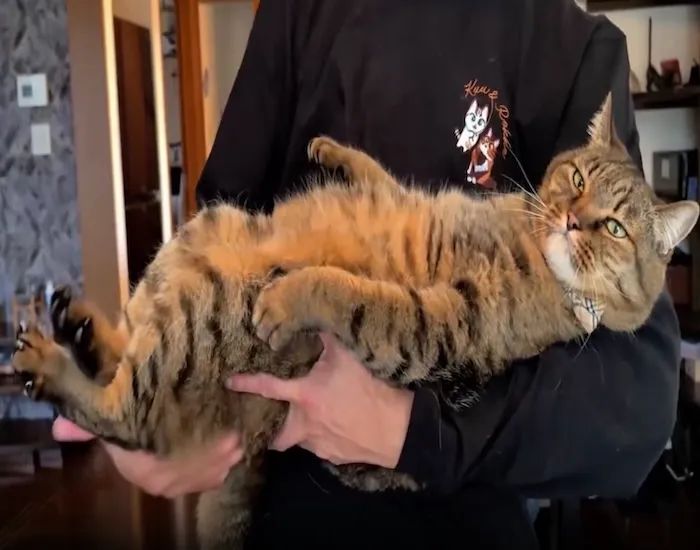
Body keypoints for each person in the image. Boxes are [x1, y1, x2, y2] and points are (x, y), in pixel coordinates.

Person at [55, 0, 681, 548]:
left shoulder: (575, 49)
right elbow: (223, 228)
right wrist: (168, 404)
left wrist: (416, 433)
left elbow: (638, 405)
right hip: (282, 484)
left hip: (459, 516)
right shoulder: (300, 11)